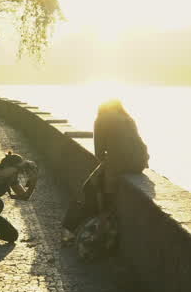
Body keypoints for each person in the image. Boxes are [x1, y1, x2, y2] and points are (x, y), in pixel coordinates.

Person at [62, 99, 149, 245]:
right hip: (139, 163)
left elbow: (99, 153)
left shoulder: (101, 119)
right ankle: (86, 226)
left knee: (88, 189)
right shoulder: (127, 118)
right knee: (99, 188)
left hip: (120, 164)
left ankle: (70, 230)